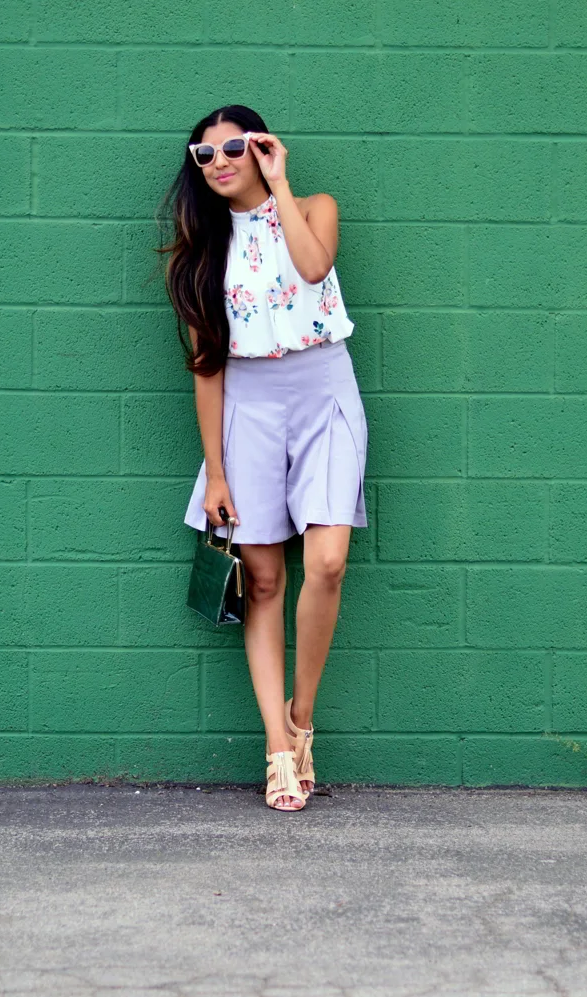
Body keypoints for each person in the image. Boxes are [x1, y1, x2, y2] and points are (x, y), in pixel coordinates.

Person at [157, 105, 368, 812]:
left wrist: (278, 184)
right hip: (247, 401)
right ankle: (277, 750)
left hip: (323, 386)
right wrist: (214, 470)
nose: (218, 162)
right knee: (265, 577)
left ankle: (300, 718)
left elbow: (312, 267)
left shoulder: (313, 207)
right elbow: (207, 368)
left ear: (263, 147)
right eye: (203, 155)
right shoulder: (200, 249)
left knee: (329, 559)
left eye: (233, 148)